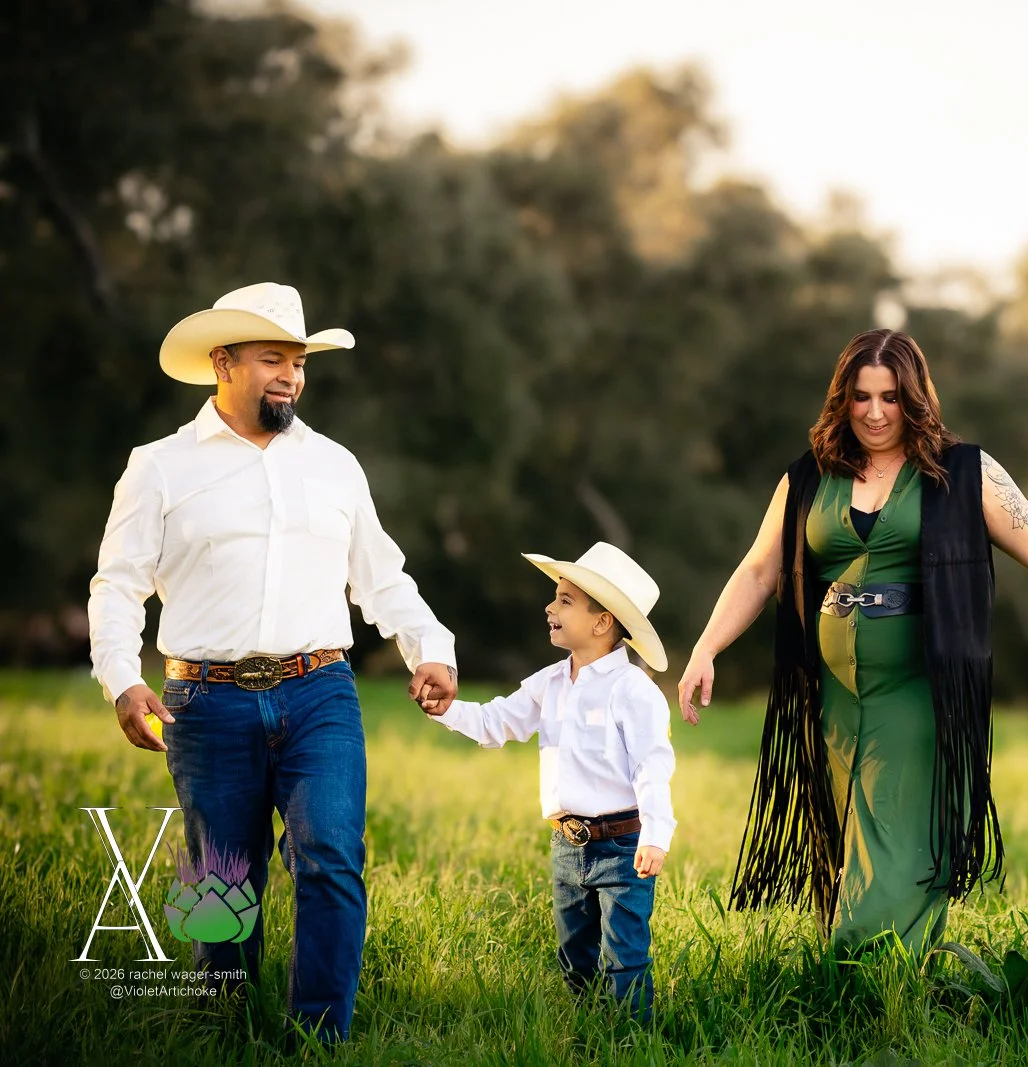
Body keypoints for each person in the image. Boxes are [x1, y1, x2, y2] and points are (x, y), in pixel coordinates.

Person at [675, 328, 1028, 955]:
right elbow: (759, 570)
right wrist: (705, 648)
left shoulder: (963, 472)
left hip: (916, 687)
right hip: (828, 693)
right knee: (843, 845)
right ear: (842, 399)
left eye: (891, 397)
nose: (876, 412)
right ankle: (889, 987)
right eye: (861, 397)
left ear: (915, 398)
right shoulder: (809, 477)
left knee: (895, 836)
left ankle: (863, 970)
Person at [87, 282, 459, 1043]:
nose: (291, 374)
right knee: (225, 881)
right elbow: (117, 584)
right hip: (204, 700)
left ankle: (321, 1040)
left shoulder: (334, 465)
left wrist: (432, 650)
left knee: (330, 855)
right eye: (272, 359)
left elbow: (381, 576)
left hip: (318, 690)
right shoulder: (158, 467)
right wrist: (122, 677)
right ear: (222, 362)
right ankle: (221, 1031)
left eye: (299, 360)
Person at [424, 543, 674, 1022]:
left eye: (564, 600)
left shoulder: (633, 690)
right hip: (567, 843)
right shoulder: (549, 683)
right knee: (575, 956)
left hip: (624, 846)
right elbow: (497, 722)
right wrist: (446, 710)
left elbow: (652, 765)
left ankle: (631, 1039)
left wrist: (656, 836)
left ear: (602, 623)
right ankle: (585, 1029)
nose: (549, 607)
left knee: (625, 956)